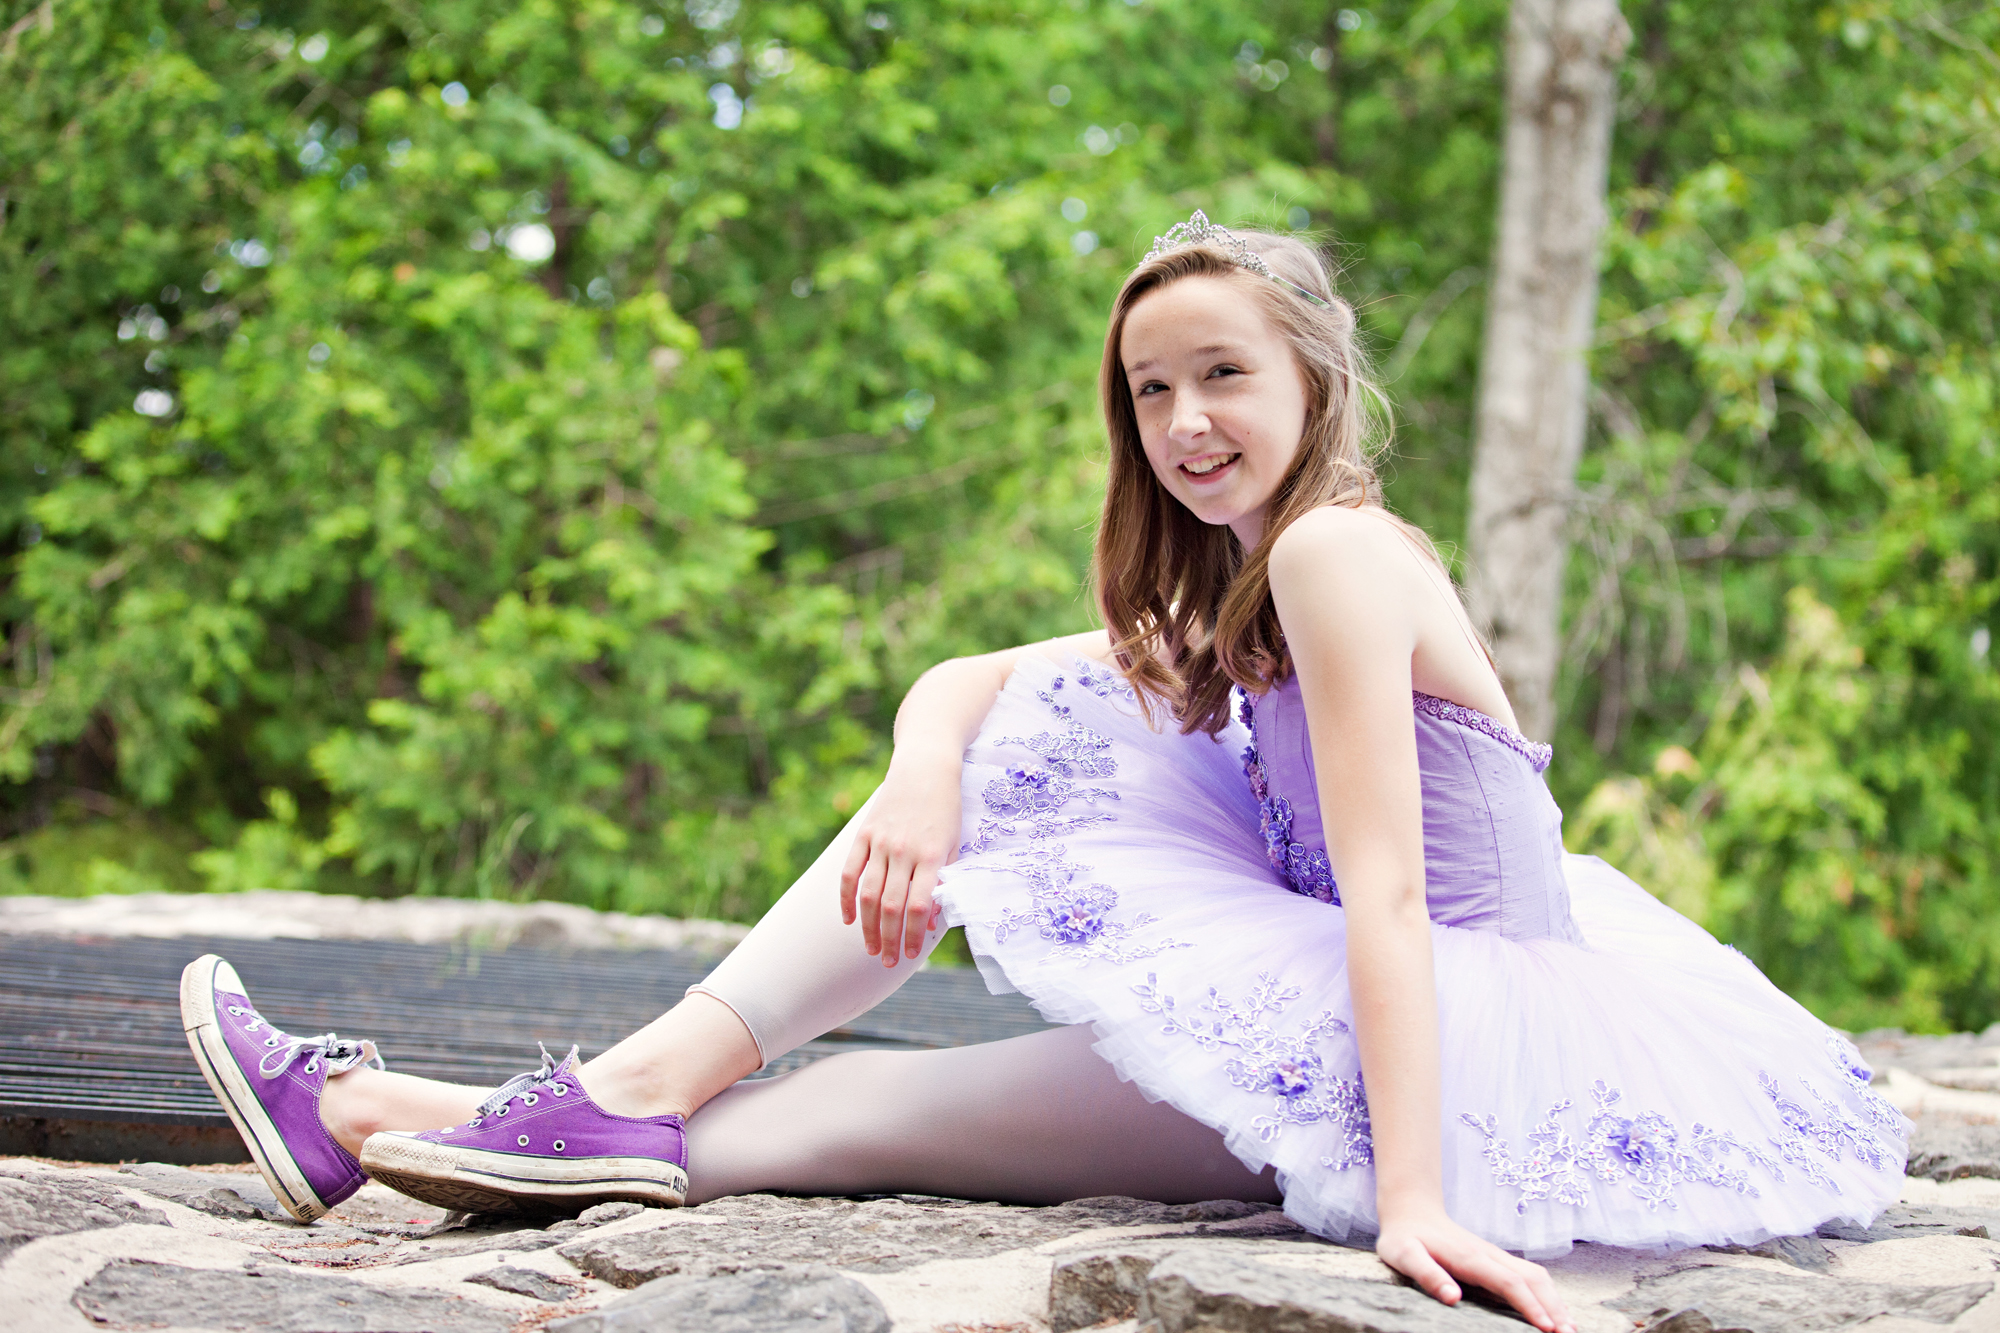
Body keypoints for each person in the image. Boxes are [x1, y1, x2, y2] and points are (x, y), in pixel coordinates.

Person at [180, 213, 1909, 1333]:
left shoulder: (1337, 558)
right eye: (1152, 390)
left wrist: (1410, 1196)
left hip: (1420, 1030)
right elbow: (981, 676)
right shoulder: (1251, 575)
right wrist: (924, 774)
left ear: (1314, 373)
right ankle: (508, 1104)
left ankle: (388, 1116)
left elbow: (1389, 889)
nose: (1184, 422)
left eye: (1223, 375)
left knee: (836, 1125)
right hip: (1364, 981)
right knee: (1000, 760)